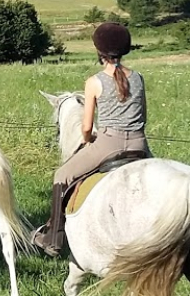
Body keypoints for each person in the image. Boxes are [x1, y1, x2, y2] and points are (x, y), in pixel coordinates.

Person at [32, 21, 150, 257]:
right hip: (139, 143)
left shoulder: (94, 82)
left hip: (107, 143)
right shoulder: (138, 78)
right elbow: (143, 116)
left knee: (61, 175)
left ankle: (54, 237)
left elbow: (86, 128)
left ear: (100, 52)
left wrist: (90, 138)